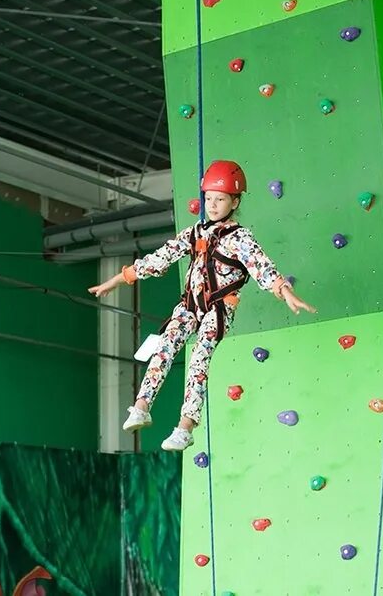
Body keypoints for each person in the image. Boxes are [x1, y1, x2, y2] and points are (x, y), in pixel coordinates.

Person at [88, 160, 316, 451]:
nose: (213, 204)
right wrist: (119, 279)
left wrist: (283, 289)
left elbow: (261, 266)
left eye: (220, 199)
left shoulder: (240, 238)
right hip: (189, 305)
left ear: (235, 202)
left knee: (198, 359)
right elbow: (160, 258)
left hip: (219, 309)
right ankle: (141, 406)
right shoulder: (195, 233)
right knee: (164, 348)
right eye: (209, 198)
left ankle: (186, 425)